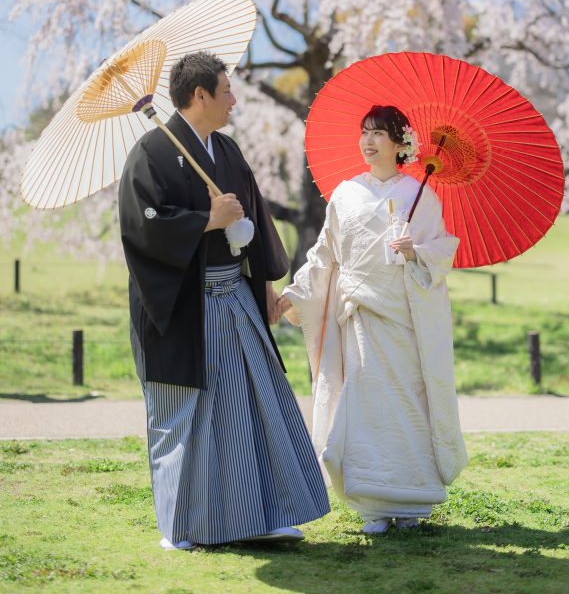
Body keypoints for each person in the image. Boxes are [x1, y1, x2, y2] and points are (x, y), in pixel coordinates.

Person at [118, 51, 329, 550]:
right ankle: (182, 526)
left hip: (235, 296)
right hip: (184, 308)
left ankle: (265, 514)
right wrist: (204, 221)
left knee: (252, 406)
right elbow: (140, 229)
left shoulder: (227, 151)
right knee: (187, 412)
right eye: (227, 91)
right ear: (200, 96)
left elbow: (254, 217)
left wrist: (267, 284)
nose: (234, 100)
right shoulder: (150, 153)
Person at [276, 105, 468, 535]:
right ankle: (372, 505)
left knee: (407, 406)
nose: (368, 140)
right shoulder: (345, 194)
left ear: (401, 143)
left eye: (379, 133)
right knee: (365, 409)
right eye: (364, 132)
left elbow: (442, 250)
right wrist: (292, 294)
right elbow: (324, 255)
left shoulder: (421, 196)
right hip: (359, 318)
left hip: (404, 323)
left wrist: (415, 251)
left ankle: (413, 501)